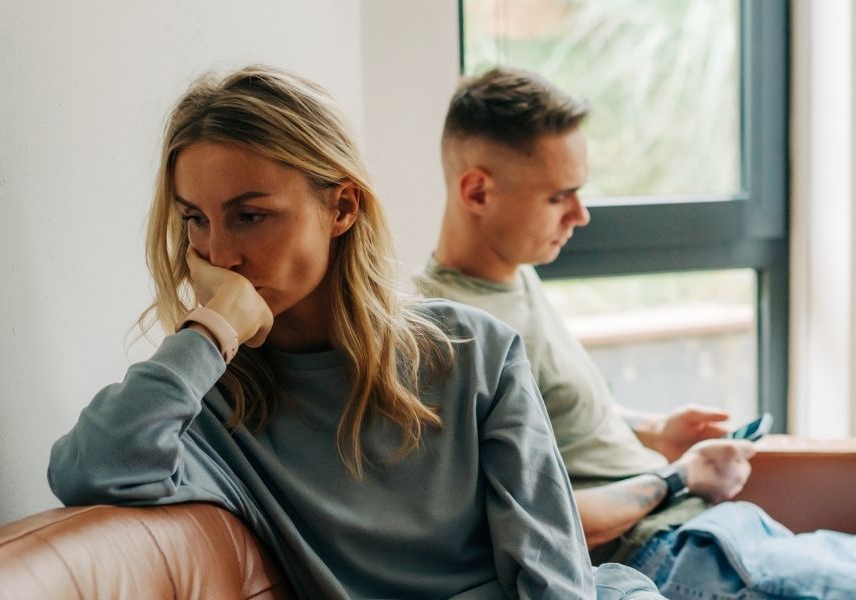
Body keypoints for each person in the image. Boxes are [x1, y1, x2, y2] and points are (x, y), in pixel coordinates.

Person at [415, 66, 856, 599]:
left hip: (741, 532)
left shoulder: (513, 274)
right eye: (560, 197)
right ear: (477, 192)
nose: (581, 215)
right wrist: (679, 477)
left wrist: (654, 431)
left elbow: (554, 418)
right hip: (677, 556)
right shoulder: (449, 336)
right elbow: (527, 527)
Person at [47, 65, 663, 600]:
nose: (219, 254)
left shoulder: (476, 355)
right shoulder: (212, 405)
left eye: (250, 216)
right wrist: (207, 332)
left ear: (341, 208)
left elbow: (553, 578)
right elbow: (89, 468)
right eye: (195, 220)